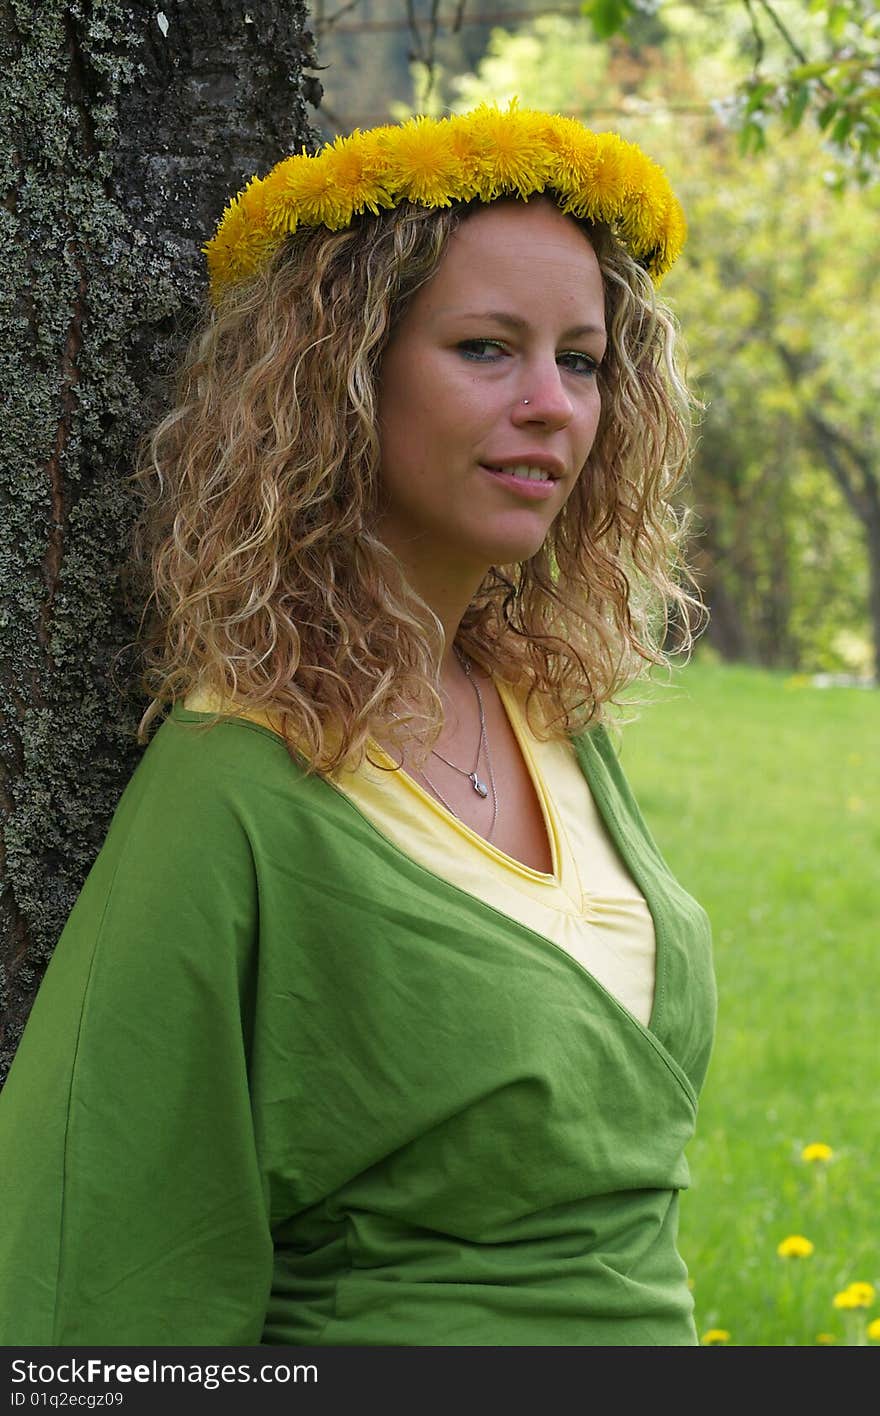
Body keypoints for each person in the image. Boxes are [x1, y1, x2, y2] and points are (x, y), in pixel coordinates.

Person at [0, 101, 716, 1347]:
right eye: (488, 348)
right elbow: (98, 1268)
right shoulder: (235, 780)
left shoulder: (550, 714)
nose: (552, 404)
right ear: (338, 376)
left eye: (583, 359)